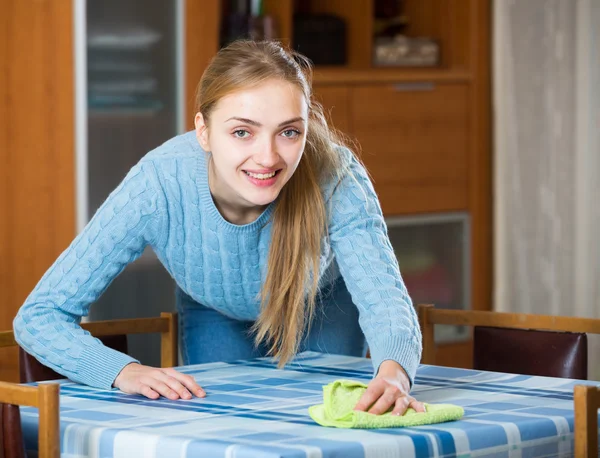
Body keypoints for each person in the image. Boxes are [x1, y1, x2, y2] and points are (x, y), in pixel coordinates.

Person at [14, 40, 424, 416]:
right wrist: (123, 371)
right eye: (242, 132)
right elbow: (39, 316)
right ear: (204, 132)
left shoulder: (335, 173)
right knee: (217, 426)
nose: (267, 157)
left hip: (320, 307)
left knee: (330, 430)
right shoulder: (158, 183)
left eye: (288, 132)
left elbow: (386, 303)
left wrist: (393, 373)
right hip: (215, 310)